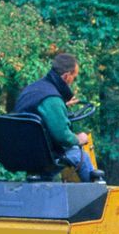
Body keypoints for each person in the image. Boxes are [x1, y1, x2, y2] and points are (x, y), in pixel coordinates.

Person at [14, 52, 104, 182]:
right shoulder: (52, 98)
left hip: (23, 151)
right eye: (74, 77)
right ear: (67, 76)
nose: (73, 81)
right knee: (80, 154)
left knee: (69, 152)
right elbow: (63, 136)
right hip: (42, 156)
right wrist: (78, 139)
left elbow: (37, 113)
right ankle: (98, 194)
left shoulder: (33, 89)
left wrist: (62, 105)